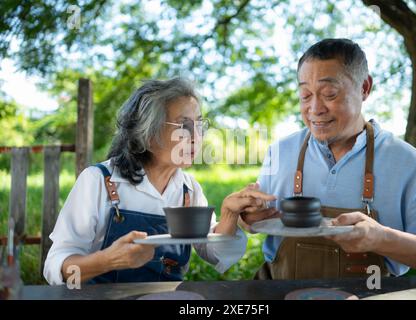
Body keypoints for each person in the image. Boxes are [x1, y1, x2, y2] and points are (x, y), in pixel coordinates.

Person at [239, 38, 416, 279]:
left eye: (329, 93)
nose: (315, 108)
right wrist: (250, 216)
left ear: (364, 88)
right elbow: (255, 220)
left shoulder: (408, 164)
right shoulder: (280, 151)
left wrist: (382, 239)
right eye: (305, 95)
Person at [44, 77, 274, 285]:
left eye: (199, 125)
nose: (196, 137)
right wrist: (108, 260)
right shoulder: (99, 181)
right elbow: (56, 267)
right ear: (148, 132)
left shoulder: (188, 189)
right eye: (184, 126)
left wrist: (230, 214)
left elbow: (215, 253)